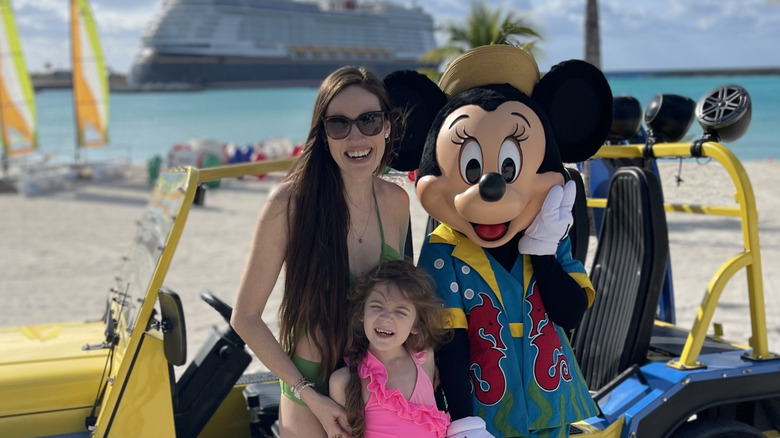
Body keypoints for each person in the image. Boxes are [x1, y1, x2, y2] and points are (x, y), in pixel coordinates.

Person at [231, 66, 410, 438]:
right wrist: (308, 395)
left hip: (380, 384)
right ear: (324, 135)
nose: (356, 137)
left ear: (387, 126)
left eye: (369, 120)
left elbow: (406, 302)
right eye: (339, 124)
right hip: (310, 387)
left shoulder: (397, 202)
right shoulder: (288, 204)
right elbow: (245, 317)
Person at [329, 260, 451, 438]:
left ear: (415, 325)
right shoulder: (343, 381)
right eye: (377, 306)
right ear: (362, 313)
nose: (386, 317)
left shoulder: (425, 359)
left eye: (400, 312)